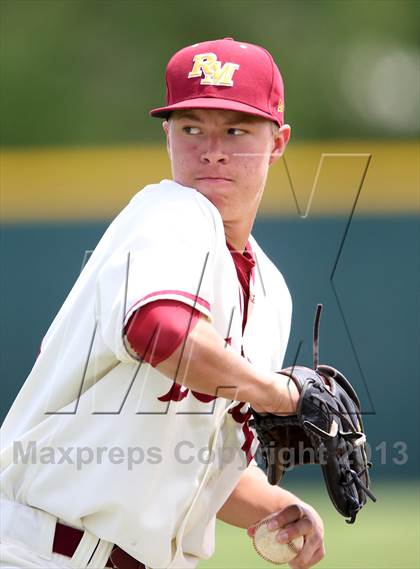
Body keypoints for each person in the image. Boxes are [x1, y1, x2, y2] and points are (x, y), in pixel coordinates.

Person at [0, 38, 325, 569]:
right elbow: (159, 331)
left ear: (279, 141)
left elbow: (200, 457)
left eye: (236, 129)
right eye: (192, 128)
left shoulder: (270, 291)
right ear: (167, 135)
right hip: (36, 551)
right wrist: (279, 392)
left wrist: (279, 505)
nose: (211, 148)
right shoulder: (169, 211)